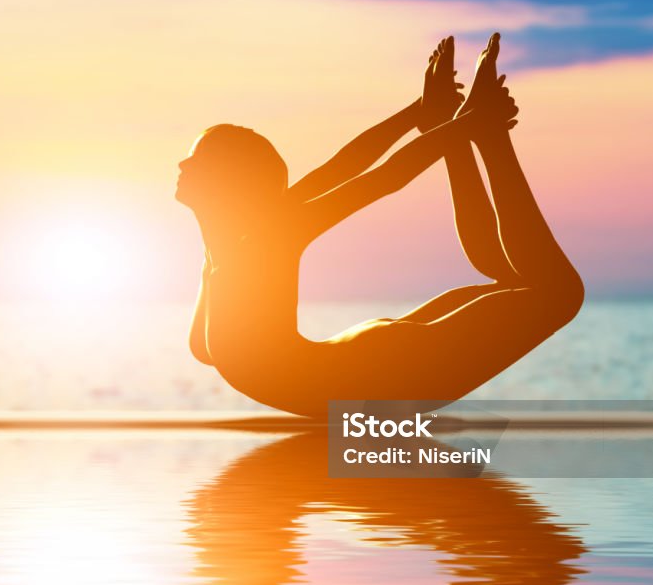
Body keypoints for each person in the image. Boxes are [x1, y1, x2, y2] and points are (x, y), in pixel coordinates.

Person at [176, 34, 584, 417]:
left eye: (198, 160)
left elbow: (380, 176)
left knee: (560, 294)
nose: (182, 165)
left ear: (230, 184)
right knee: (523, 284)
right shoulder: (227, 252)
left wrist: (459, 121)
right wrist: (420, 114)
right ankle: (477, 130)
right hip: (371, 366)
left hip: (378, 373)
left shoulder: (265, 240)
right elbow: (339, 169)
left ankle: (489, 135)